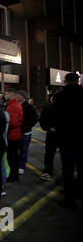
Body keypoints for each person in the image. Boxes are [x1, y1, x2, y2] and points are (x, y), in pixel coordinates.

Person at [49, 73, 83, 208]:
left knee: (68, 168)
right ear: (78, 81)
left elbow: (52, 113)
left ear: (64, 81)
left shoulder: (60, 96)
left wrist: (53, 126)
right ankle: (80, 192)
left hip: (66, 137)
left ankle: (69, 199)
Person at [16, 90, 39, 175]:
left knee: (23, 150)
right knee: (15, 150)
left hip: (25, 133)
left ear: (23, 96)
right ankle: (16, 165)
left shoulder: (29, 107)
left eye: (18, 95)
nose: (16, 96)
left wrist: (26, 126)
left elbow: (35, 118)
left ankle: (21, 166)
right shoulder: (14, 105)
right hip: (15, 132)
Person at [4, 89, 23, 182]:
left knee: (12, 157)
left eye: (6, 94)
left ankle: (13, 176)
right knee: (13, 157)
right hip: (15, 135)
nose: (4, 95)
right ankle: (14, 176)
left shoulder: (13, 106)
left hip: (13, 136)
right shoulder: (13, 105)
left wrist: (4, 126)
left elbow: (13, 123)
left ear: (11, 94)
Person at [38, 95, 58, 182]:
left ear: (52, 99)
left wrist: (48, 128)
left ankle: (48, 172)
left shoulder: (48, 107)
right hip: (66, 135)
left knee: (49, 154)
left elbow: (42, 120)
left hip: (51, 134)